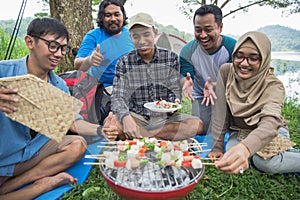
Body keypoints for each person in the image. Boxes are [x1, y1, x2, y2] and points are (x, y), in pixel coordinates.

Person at [0, 17, 118, 199]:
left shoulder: (59, 85)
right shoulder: (4, 72)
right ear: (30, 42)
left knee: (78, 145)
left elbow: (72, 122)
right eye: (53, 46)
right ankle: (39, 187)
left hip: (33, 153)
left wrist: (102, 129)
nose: (59, 54)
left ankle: (19, 183)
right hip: (4, 157)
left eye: (63, 48)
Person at [208, 31, 300, 174]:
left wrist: (245, 148)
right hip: (241, 130)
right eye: (239, 56)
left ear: (263, 60)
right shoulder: (226, 71)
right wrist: (217, 147)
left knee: (265, 163)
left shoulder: (274, 86)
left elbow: (270, 124)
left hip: (269, 132)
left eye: (253, 58)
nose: (244, 63)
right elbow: (220, 112)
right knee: (231, 153)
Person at [102, 12, 204, 141]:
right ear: (130, 37)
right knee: (112, 124)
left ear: (155, 33)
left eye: (146, 34)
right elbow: (117, 97)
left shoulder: (170, 58)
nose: (142, 41)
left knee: (196, 125)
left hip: (164, 120)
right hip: (136, 117)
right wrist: (125, 117)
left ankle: (142, 136)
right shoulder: (124, 62)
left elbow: (173, 93)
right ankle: (155, 137)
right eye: (136, 36)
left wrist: (173, 103)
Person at [179, 4, 236, 135]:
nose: (203, 35)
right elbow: (185, 76)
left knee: (229, 129)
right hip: (202, 97)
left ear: (220, 27)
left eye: (208, 29)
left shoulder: (233, 48)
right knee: (201, 129)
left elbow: (237, 78)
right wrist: (185, 82)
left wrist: (217, 86)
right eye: (198, 30)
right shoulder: (188, 51)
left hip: (228, 94)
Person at [74, 0, 135, 87]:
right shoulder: (93, 36)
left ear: (123, 16)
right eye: (108, 15)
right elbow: (77, 64)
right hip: (102, 90)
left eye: (117, 14)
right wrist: (90, 60)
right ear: (102, 17)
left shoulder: (132, 35)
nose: (113, 19)